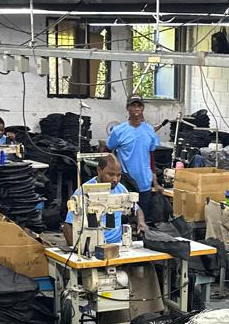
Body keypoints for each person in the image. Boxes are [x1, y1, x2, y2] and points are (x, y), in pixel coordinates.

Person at [105, 95, 164, 224]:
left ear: (143, 108)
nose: (136, 108)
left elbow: (151, 158)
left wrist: (155, 182)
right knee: (125, 219)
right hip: (125, 183)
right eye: (133, 105)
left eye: (139, 105)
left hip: (144, 183)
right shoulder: (119, 131)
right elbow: (107, 151)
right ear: (128, 108)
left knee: (143, 222)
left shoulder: (149, 131)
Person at [62, 154, 144, 248]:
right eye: (111, 174)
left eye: (118, 175)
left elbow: (136, 208)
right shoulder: (83, 192)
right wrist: (77, 250)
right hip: (93, 246)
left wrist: (141, 221)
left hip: (117, 245)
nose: (115, 179)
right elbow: (68, 226)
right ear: (99, 170)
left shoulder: (120, 189)